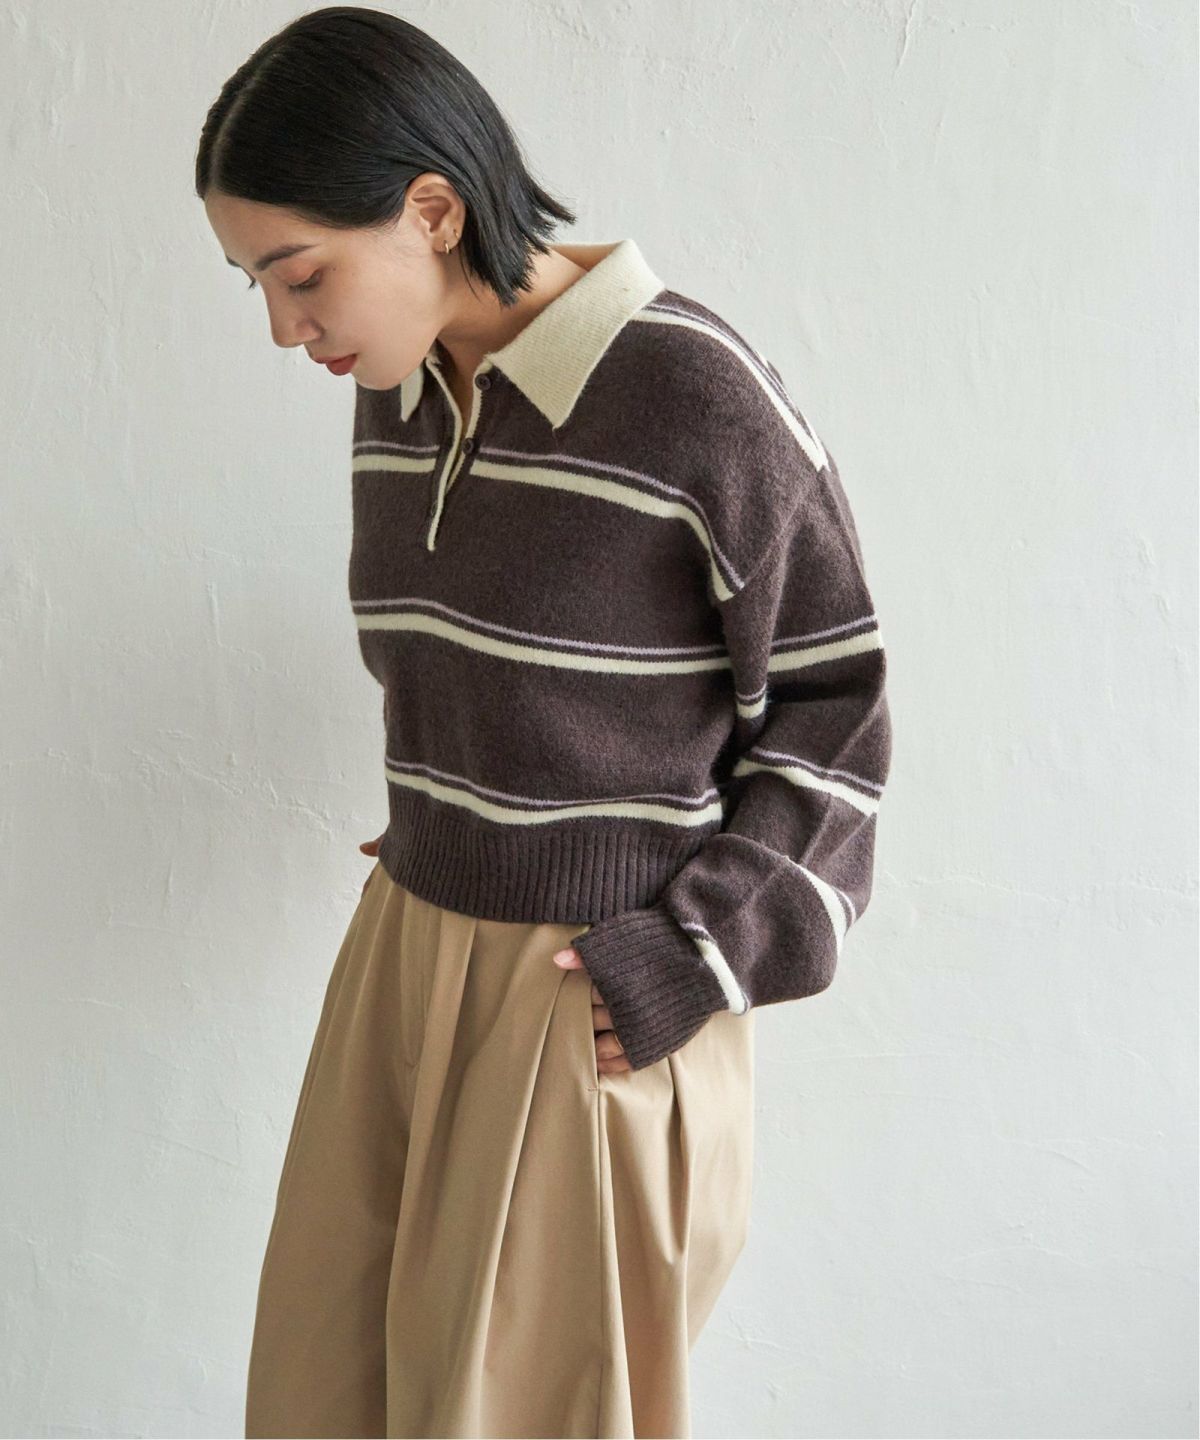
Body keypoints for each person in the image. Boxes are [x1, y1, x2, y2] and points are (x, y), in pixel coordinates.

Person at [197, 8, 893, 1438]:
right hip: (406, 958)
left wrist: (700, 952)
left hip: (590, 997)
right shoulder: (401, 390)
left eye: (302, 273)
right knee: (324, 1398)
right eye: (255, 284)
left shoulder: (692, 392)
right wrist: (462, 801)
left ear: (432, 210)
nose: (282, 327)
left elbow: (837, 710)